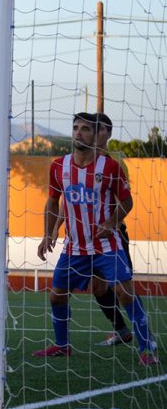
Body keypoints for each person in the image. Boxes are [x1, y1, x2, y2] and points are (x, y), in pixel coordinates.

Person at [34, 112, 158, 366]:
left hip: (106, 246)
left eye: (86, 129)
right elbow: (53, 200)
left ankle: (146, 348)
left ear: (97, 136)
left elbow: (127, 201)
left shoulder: (110, 167)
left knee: (125, 293)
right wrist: (49, 232)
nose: (78, 132)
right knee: (57, 296)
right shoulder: (59, 166)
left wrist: (112, 222)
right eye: (76, 127)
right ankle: (62, 345)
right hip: (74, 248)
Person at [49, 113, 135, 347]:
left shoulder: (114, 163)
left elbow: (121, 198)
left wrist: (111, 223)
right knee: (97, 287)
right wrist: (56, 225)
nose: (83, 133)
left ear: (105, 134)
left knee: (124, 288)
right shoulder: (67, 164)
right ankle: (121, 330)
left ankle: (145, 339)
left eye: (98, 130)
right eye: (76, 128)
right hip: (80, 241)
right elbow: (71, 198)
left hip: (111, 235)